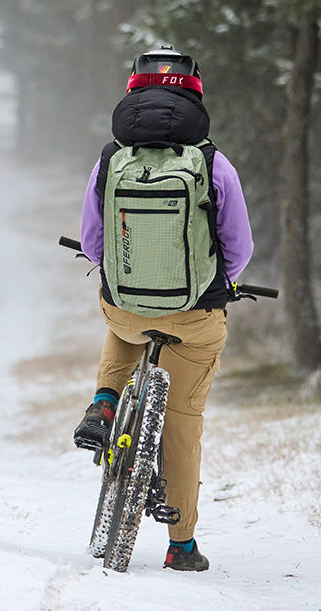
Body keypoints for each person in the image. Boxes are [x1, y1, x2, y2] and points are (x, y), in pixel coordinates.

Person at [73, 47, 253, 571]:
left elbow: (92, 243)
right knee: (182, 422)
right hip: (196, 316)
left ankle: (105, 400)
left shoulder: (110, 159)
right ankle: (181, 545)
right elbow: (238, 248)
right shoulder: (215, 164)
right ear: (195, 97)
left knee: (124, 323)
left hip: (126, 310)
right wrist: (223, 285)